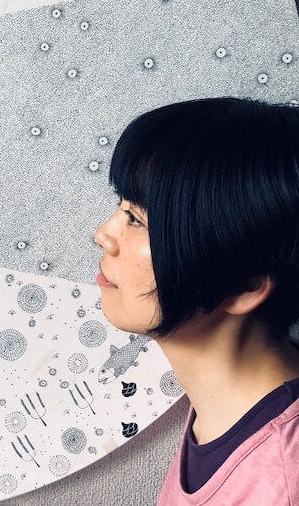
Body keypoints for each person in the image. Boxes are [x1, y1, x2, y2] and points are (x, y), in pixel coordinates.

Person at [92, 95, 299, 503]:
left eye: (137, 219)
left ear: (245, 286)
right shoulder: (226, 408)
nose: (103, 234)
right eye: (121, 207)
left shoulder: (284, 481)